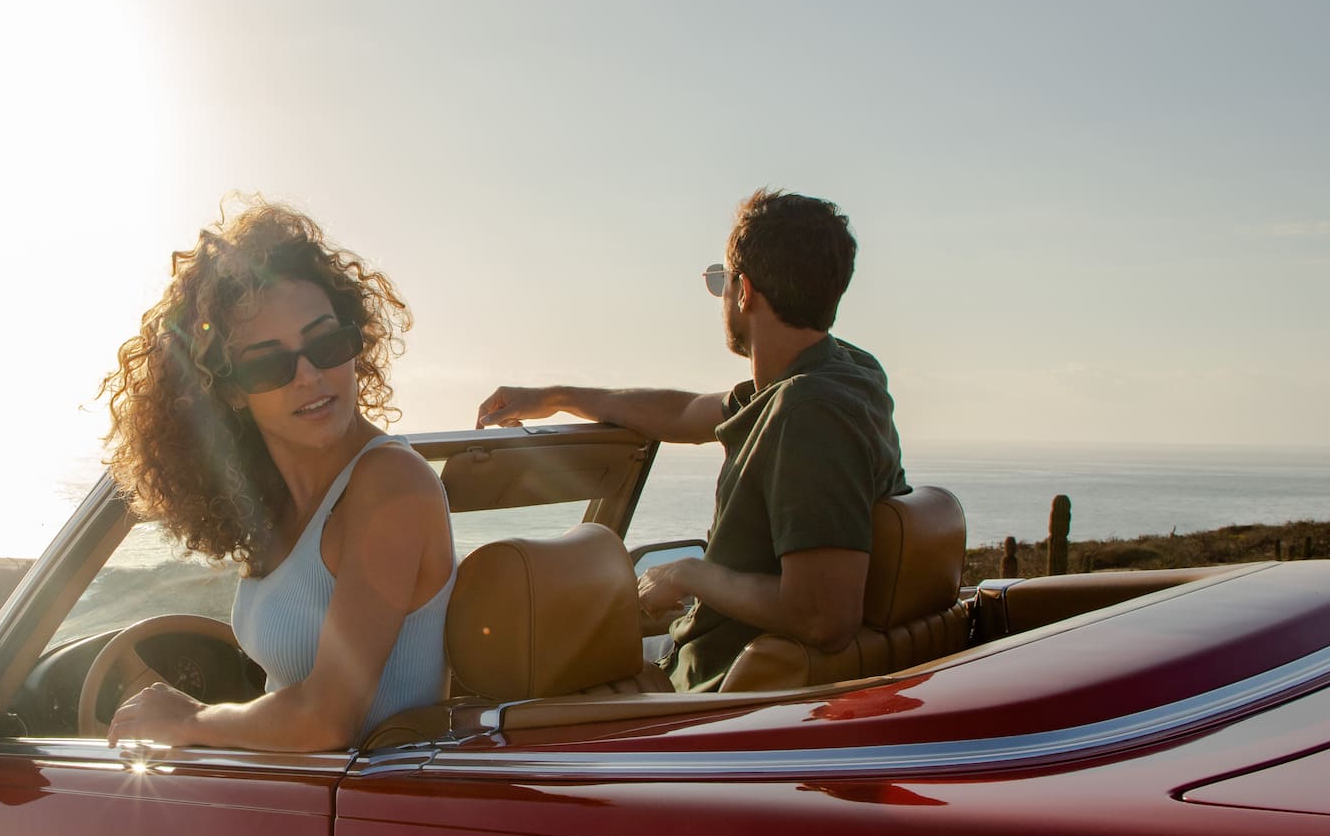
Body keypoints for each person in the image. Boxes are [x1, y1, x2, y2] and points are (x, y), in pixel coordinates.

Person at [477, 188, 908, 692]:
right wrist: (556, 396)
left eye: (721, 280)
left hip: (708, 683)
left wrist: (689, 575)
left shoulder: (809, 412)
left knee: (500, 693)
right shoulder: (843, 374)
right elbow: (681, 412)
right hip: (712, 657)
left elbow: (824, 617)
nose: (721, 295)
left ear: (745, 290)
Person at [100, 200, 456, 749]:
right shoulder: (280, 502)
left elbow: (326, 719)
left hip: (376, 813)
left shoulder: (391, 484)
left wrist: (190, 720)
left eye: (326, 343)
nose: (309, 376)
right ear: (232, 391)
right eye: (270, 363)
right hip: (303, 808)